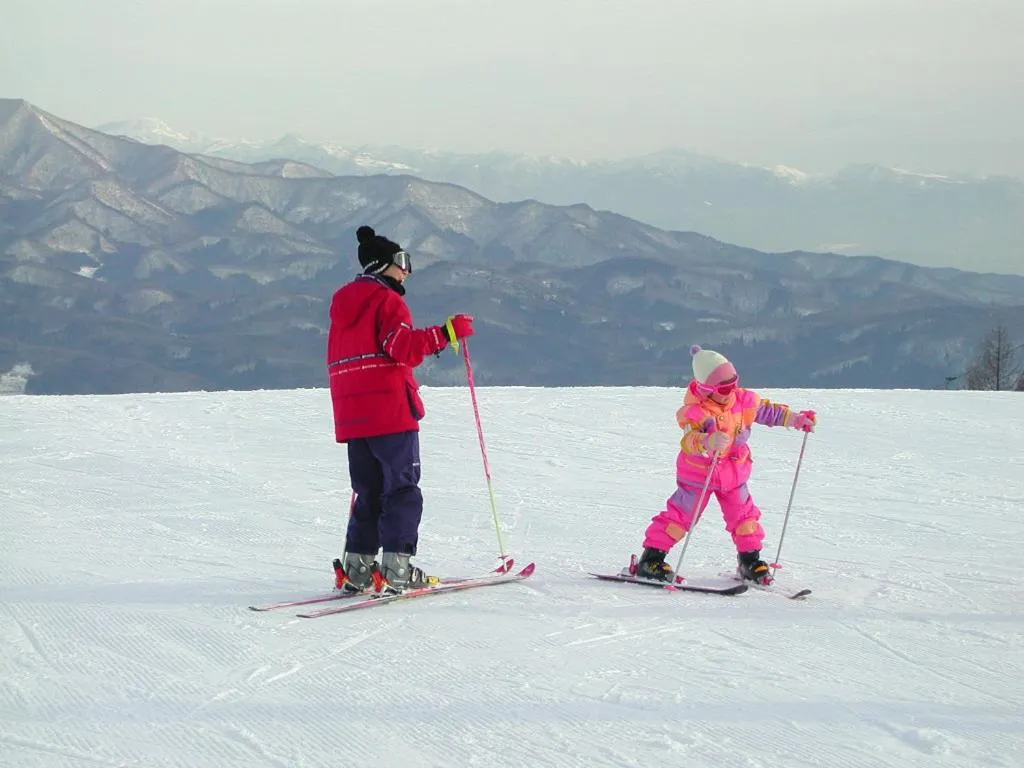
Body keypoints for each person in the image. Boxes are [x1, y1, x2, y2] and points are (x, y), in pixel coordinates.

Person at [327, 225, 475, 593]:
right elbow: (402, 347)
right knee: (402, 489)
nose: (406, 270)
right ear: (381, 265)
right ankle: (396, 569)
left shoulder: (343, 304)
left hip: (352, 416)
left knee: (369, 491)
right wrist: (447, 333)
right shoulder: (388, 300)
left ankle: (357, 567)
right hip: (390, 411)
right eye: (401, 261)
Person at [635, 345, 817, 585]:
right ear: (706, 388)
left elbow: (768, 412)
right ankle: (651, 559)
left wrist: (796, 419)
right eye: (724, 387)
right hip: (698, 476)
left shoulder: (743, 401)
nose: (731, 390)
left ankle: (750, 561)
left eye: (734, 382)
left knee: (744, 517)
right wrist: (706, 441)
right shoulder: (695, 412)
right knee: (681, 515)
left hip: (734, 474)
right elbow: (689, 440)